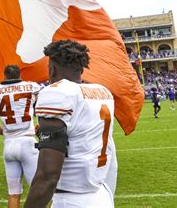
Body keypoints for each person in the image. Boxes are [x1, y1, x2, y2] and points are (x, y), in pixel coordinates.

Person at [25, 40, 117, 208]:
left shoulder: (57, 93)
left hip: (72, 200)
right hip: (101, 195)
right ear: (81, 69)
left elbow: (48, 175)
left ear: (51, 69)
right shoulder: (103, 92)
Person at [0, 65, 40, 208]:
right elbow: (43, 111)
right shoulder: (31, 87)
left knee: (13, 193)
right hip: (28, 142)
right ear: (19, 75)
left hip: (9, 145)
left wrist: (6, 133)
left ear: (5, 76)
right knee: (37, 190)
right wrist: (39, 127)